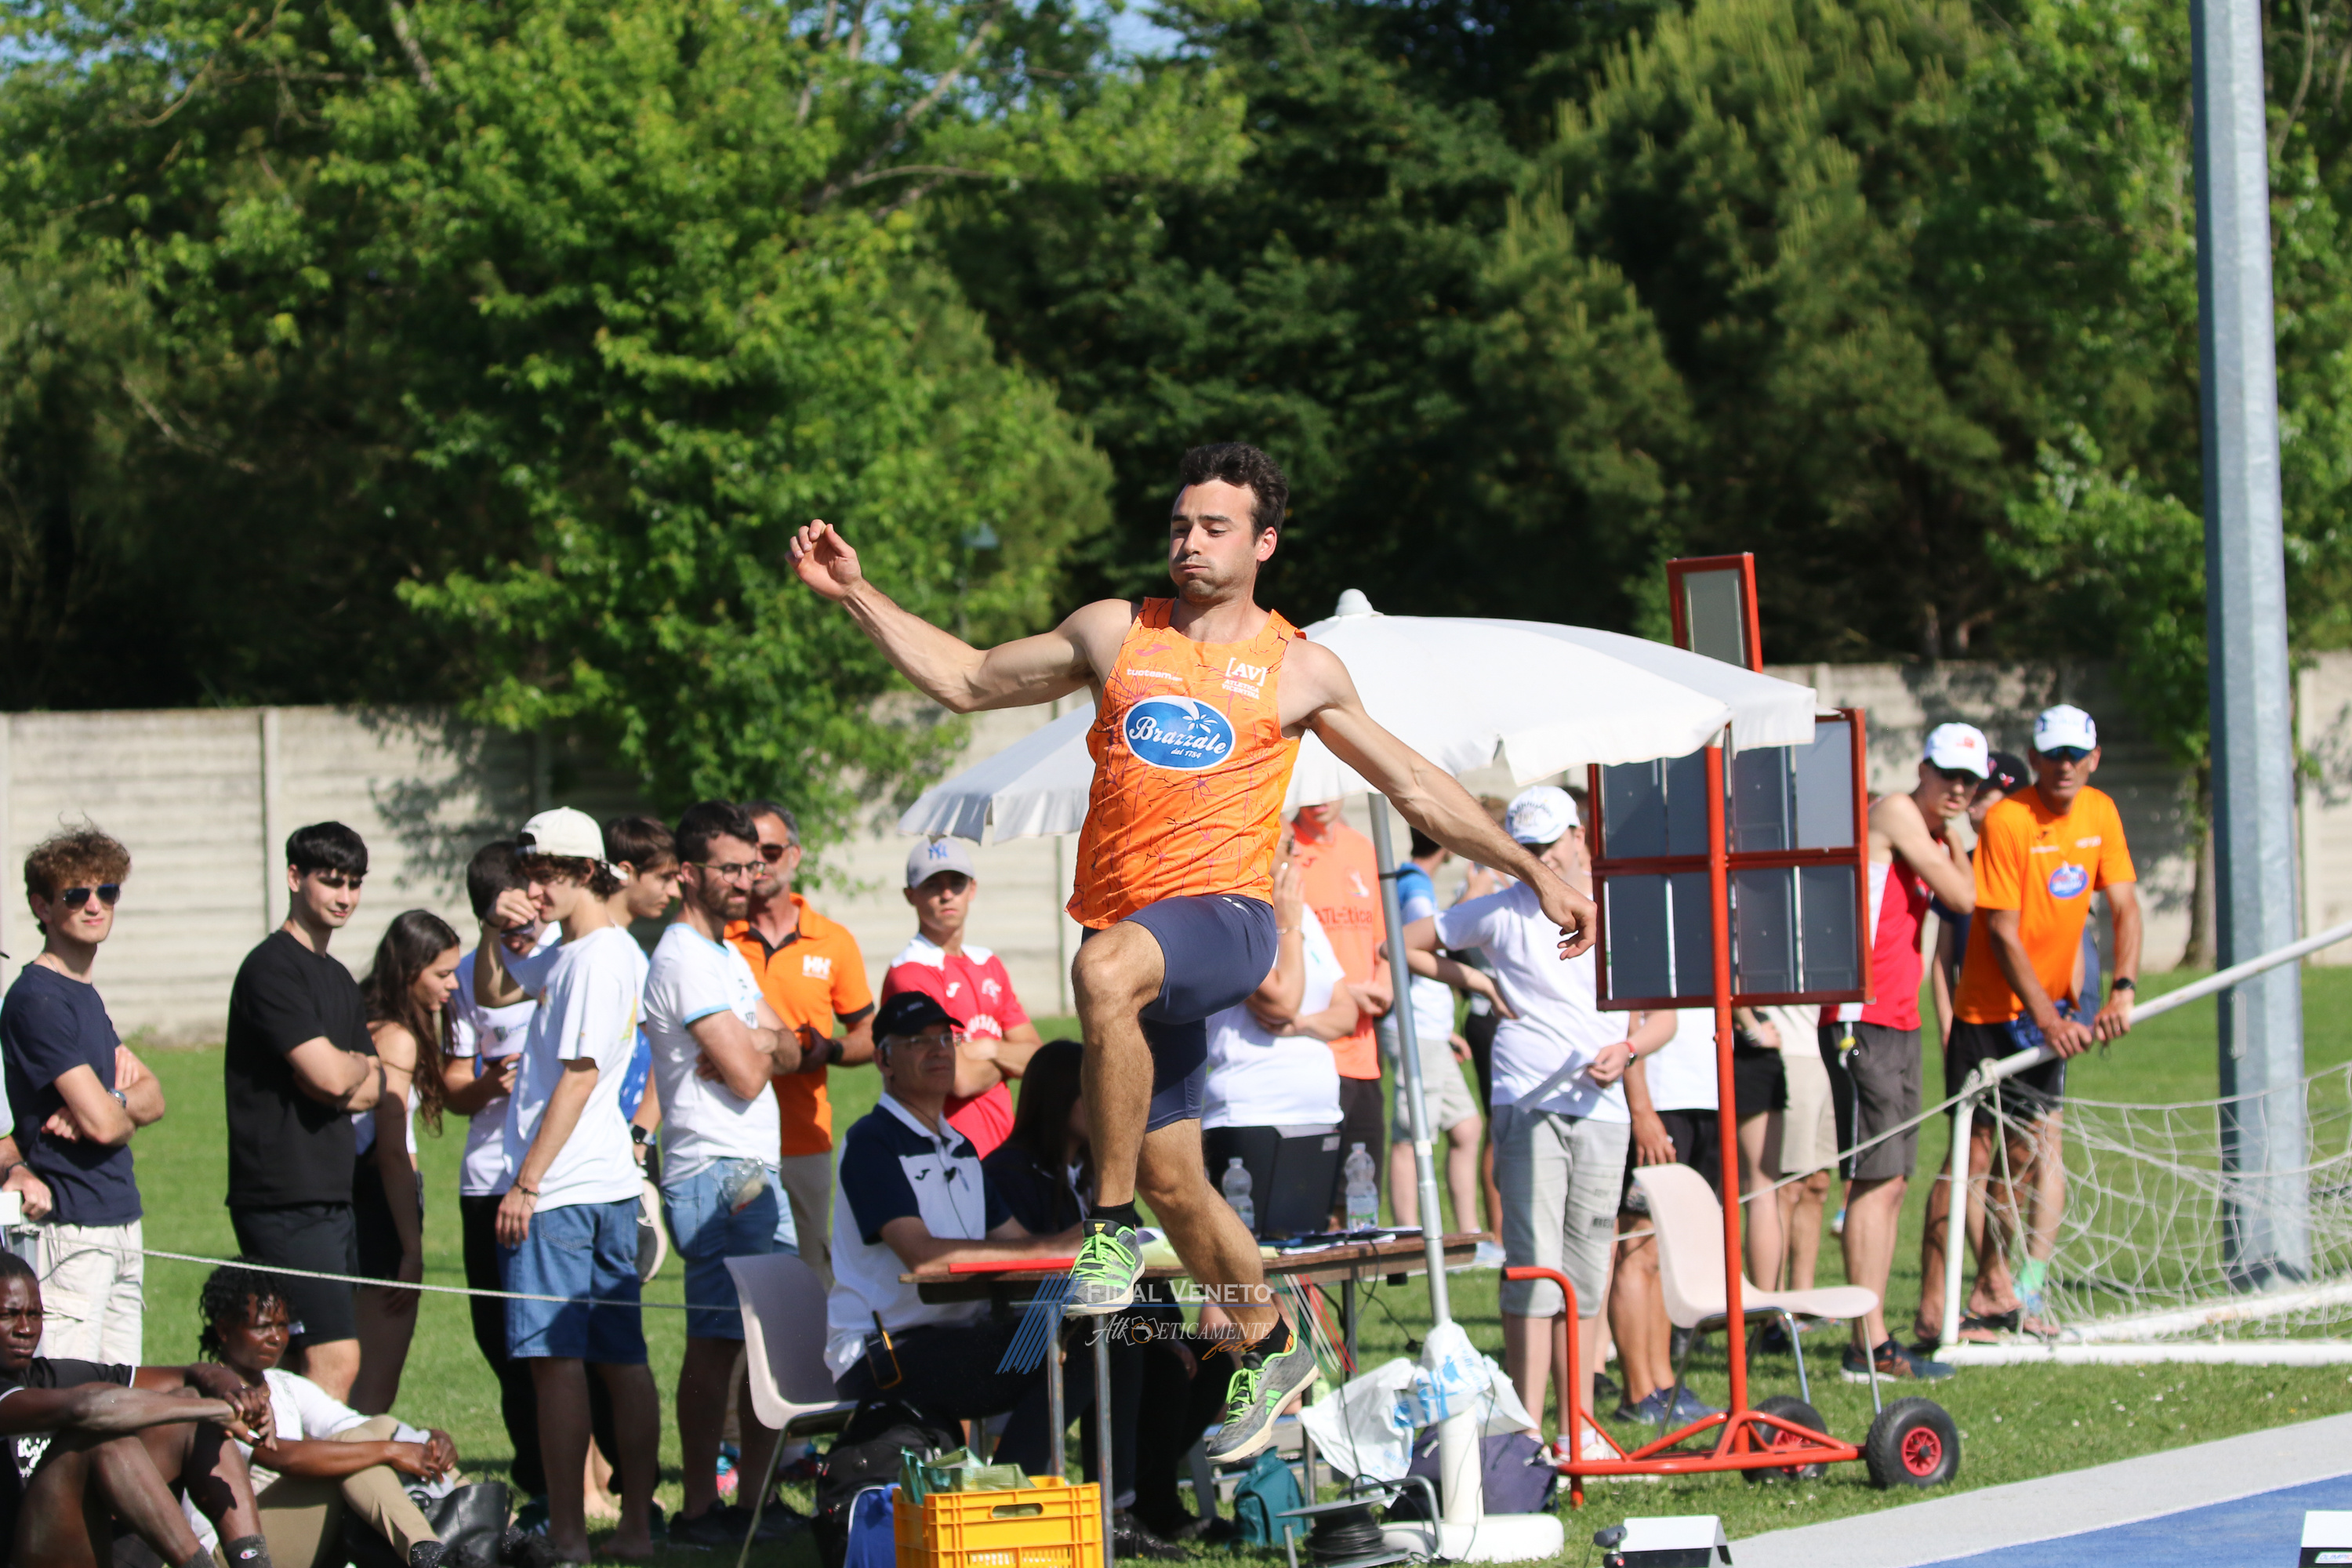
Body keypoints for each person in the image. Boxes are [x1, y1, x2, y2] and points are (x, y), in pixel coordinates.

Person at [792, 441, 1595, 1462]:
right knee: (1176, 1177)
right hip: (1133, 942)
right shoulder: (1115, 631)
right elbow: (966, 678)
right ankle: (1271, 1337)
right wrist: (856, 594)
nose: (1190, 541)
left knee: (1101, 971)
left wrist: (1531, 870)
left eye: (1215, 526)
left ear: (1264, 543)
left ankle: (1109, 1229)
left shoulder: (1300, 668)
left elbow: (1416, 786)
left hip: (1225, 918)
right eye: (1179, 524)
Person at [1408, 786, 1668, 1461]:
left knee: (1588, 1269)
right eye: (1527, 849)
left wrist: (1628, 1049)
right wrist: (1475, 983)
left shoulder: (1619, 908)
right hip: (1528, 1099)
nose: (1542, 859)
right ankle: (1525, 1430)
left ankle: (1578, 1425)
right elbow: (1400, 944)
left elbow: (1663, 1015)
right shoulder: (1500, 909)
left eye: (1551, 844)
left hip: (1603, 1107)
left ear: (1580, 837)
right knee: (1533, 1264)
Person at [478, 807, 660, 1564]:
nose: (534, 889)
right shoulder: (574, 950)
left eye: (547, 874)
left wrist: (526, 1182)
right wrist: (493, 927)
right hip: (601, 1184)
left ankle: (571, 1535)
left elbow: (579, 1078)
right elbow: (495, 991)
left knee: (561, 1366)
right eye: (527, 874)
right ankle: (631, 1530)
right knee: (619, 1359)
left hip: (563, 1193)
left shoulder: (593, 959)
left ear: (587, 871)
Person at [823, 992, 1084, 1472]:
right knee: (1072, 1349)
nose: (939, 1050)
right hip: (885, 1356)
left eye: (946, 1039)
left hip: (956, 1340)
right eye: (918, 1041)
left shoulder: (961, 1147)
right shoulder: (871, 1142)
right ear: (883, 1060)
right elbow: (923, 1257)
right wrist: (1056, 1246)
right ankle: (1010, 1492)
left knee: (1097, 1336)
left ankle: (1120, 1498)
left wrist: (1083, 1243)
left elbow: (1017, 1246)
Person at [1944, 706, 2141, 1338]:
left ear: (2094, 759)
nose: (2064, 766)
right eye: (2052, 755)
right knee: (1974, 1156)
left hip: (2047, 1013)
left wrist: (2122, 990)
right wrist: (2049, 1019)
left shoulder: (2100, 812)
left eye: (2075, 755)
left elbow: (2125, 905)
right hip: (1988, 1013)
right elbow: (2002, 932)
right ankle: (1972, 1292)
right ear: (2034, 759)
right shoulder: (2009, 820)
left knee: (2029, 1154)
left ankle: (2009, 1288)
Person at [642, 800, 802, 1548]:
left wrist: (759, 1041)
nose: (745, 880)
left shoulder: (728, 957)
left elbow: (792, 1048)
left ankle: (755, 1503)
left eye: (752, 865)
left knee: (770, 1342)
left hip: (756, 1167)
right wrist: (760, 1048)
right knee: (716, 1343)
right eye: (729, 868)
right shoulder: (681, 957)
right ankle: (700, 1509)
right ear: (687, 874)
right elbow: (745, 1076)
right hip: (714, 1172)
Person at [1810, 724, 1987, 1383]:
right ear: (1923, 770)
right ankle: (1867, 1343)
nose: (1958, 790)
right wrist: (1961, 840)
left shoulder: (1933, 833)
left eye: (1969, 781)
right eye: (1949, 776)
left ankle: (1875, 1335)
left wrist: (1952, 838)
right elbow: (1964, 898)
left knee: (1893, 1183)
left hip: (1898, 1019)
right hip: (1862, 1019)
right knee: (1872, 1181)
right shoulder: (1897, 812)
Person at [982, 1043, 1192, 1560]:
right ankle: (1114, 1510)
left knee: (1199, 1360)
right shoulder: (1010, 1172)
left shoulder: (1099, 1172)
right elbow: (1026, 1272)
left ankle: (1153, 1504)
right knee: (1119, 1347)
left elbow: (1140, 1253)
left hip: (1093, 1321)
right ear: (1060, 1098)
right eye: (1095, 1094)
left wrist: (1166, 1330)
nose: (1108, 1107)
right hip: (1029, 1326)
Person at [192, 1261, 508, 1568]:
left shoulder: (284, 1385)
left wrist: (429, 1440)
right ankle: (430, 1554)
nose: (276, 1338)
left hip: (285, 1531)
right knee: (353, 1454)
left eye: (282, 1325)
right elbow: (281, 1458)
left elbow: (366, 1426)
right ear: (224, 1330)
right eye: (262, 1327)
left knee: (377, 1429)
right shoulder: (212, 1395)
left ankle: (506, 1533)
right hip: (233, 1552)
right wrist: (392, 1450)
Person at [224, 823, 385, 1402]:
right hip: (284, 1197)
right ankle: (310, 1464)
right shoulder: (272, 969)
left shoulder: (337, 977)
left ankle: (276, 1460)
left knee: (289, 1364)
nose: (345, 896)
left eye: (354, 884)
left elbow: (372, 1086)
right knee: (334, 1357)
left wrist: (346, 1071)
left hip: (331, 1196)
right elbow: (333, 1077)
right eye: (332, 881)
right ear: (295, 877)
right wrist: (346, 1072)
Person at [0, 1249, 278, 1568]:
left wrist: (237, 1396)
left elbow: (196, 1374)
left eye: (35, 1315)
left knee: (188, 1410)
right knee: (98, 1435)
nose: (25, 1328)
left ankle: (254, 1564)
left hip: (81, 1550)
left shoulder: (49, 1375)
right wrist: (214, 1410)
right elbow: (86, 1408)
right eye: (9, 1315)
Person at [2, 826, 160, 1363]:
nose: (95, 906)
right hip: (71, 1230)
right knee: (73, 1396)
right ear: (42, 907)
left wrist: (110, 1099)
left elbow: (153, 1096)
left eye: (107, 892)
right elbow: (106, 1126)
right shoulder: (38, 1000)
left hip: (121, 1219)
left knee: (123, 1394)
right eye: (76, 895)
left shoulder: (82, 995)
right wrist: (114, 1106)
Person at [441, 844, 556, 1504]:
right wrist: (488, 1086)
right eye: (503, 925)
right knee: (501, 1339)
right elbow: (454, 1086)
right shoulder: (466, 977)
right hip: (488, 1180)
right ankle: (537, 1477)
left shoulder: (570, 956)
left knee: (566, 1339)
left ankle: (603, 1478)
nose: (520, 934)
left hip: (557, 1178)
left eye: (526, 920)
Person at [728, 800, 875, 1290]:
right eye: (748, 853)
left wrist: (829, 1051)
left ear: (794, 854)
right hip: (734, 1135)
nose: (759, 863)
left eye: (770, 851)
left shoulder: (833, 941)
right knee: (739, 1278)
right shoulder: (719, 939)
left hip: (804, 1137)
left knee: (811, 1273)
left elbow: (868, 1034)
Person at [1199, 834, 1359, 1218]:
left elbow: (1347, 1013)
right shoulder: (1225, 918)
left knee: (1309, 1242)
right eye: (1286, 841)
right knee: (1250, 1250)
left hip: (1318, 1112)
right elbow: (1282, 999)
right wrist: (1287, 927)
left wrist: (1302, 1025)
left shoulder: (1303, 916)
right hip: (1251, 1113)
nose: (1296, 851)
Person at [350, 912, 461, 1416]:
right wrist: (412, 1250)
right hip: (376, 1205)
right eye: (443, 974)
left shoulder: (357, 1017)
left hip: (343, 1201)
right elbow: (392, 1148)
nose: (453, 985)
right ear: (410, 970)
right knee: (374, 1385)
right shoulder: (396, 1037)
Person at [884, 837, 1043, 1159]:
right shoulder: (910, 973)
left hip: (1002, 1149)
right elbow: (960, 1079)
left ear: (972, 889)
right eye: (932, 885)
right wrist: (1008, 1062)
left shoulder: (988, 963)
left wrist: (989, 1048)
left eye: (956, 883)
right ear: (910, 895)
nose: (946, 894)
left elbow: (1038, 1060)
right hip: (940, 1154)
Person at [1608, 1007, 1719, 1426]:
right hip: (1660, 1103)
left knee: (1665, 1255)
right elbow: (1631, 1018)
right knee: (1640, 1251)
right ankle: (1637, 1393)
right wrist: (1641, 1109)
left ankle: (1663, 1384)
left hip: (1703, 1100)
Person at [1287, 803, 1393, 1222]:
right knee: (1312, 1200)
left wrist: (1384, 983)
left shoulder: (1362, 848)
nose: (1321, 798)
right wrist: (1344, 994)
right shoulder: (1285, 849)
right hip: (1314, 1047)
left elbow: (1382, 938)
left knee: (1358, 1199)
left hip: (1363, 1051)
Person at [1384, 829, 1487, 1236]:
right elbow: (1420, 947)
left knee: (1467, 1126)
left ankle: (1469, 1236)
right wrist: (1472, 899)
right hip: (1415, 1027)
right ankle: (1411, 1240)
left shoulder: (1413, 881)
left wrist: (1446, 1031)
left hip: (1431, 1029)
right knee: (1413, 1136)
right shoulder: (1415, 887)